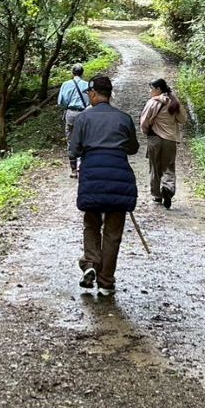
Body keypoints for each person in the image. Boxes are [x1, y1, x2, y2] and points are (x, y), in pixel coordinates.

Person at [67, 74, 139, 296]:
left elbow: (74, 151)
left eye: (89, 93)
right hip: (119, 177)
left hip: (93, 176)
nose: (89, 96)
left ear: (95, 94)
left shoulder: (83, 119)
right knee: (113, 232)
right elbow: (133, 148)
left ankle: (90, 263)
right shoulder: (124, 118)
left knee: (91, 223)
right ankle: (106, 282)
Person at [140, 77, 187, 209]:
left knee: (155, 167)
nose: (150, 91)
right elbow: (182, 119)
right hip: (170, 140)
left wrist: (146, 131)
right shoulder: (174, 102)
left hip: (154, 138)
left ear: (158, 89)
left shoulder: (152, 103)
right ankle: (168, 188)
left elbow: (144, 121)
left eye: (152, 89)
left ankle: (157, 195)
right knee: (169, 166)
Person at [56, 64, 91, 177]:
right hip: (85, 113)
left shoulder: (66, 84)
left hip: (71, 113)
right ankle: (83, 166)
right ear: (82, 73)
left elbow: (61, 102)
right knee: (85, 138)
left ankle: (73, 170)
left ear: (72, 73)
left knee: (71, 140)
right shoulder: (87, 85)